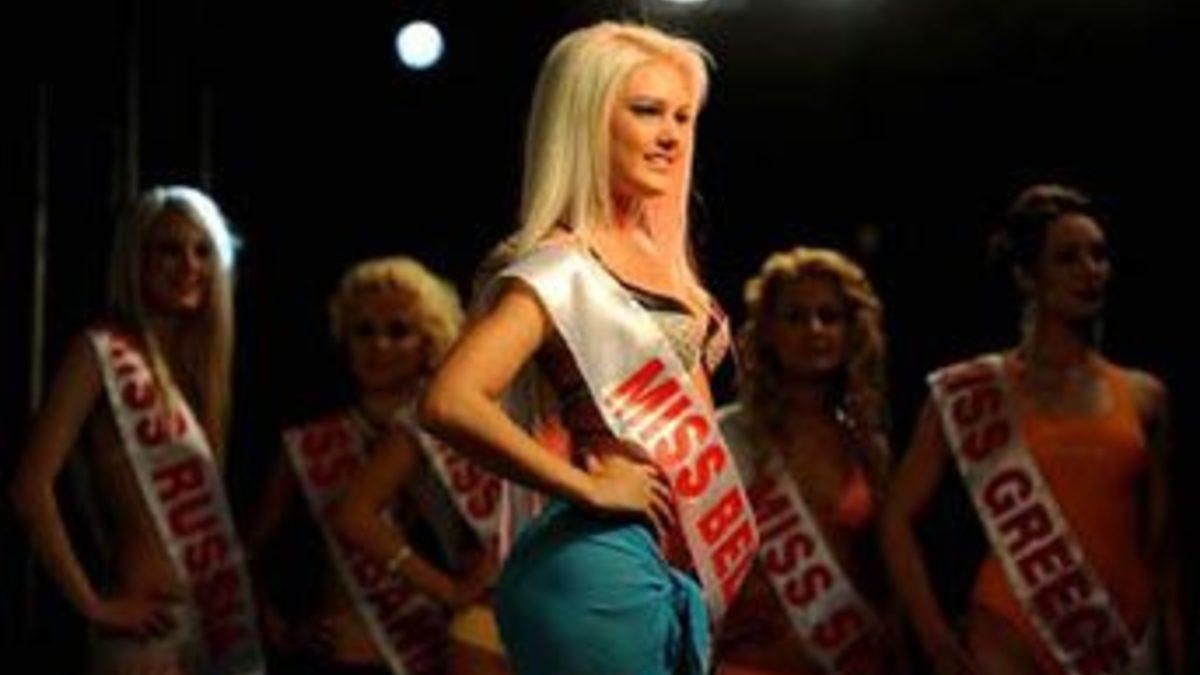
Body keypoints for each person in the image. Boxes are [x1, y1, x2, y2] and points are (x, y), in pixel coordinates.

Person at [419, 21, 759, 675]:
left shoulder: (664, 257)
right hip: (595, 563)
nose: (671, 134)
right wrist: (586, 488)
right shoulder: (561, 267)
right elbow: (449, 401)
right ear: (586, 119)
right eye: (647, 110)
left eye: (683, 116)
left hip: (659, 562)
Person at [880, 184, 1183, 674]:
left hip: (1123, 641)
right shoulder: (970, 390)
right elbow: (896, 518)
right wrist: (935, 639)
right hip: (1008, 633)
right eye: (1068, 258)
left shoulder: (1147, 395)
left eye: (1099, 255)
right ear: (1026, 275)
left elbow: (1162, 551)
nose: (1090, 270)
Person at [9, 186, 264, 675]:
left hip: (213, 626)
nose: (189, 266)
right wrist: (92, 604)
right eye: (169, 250)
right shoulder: (98, 352)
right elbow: (29, 488)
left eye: (202, 251)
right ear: (135, 260)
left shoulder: (197, 373)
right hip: (147, 633)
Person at [245, 256, 506, 675]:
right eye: (363, 331)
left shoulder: (455, 427)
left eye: (398, 331)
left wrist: (456, 595)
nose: (378, 345)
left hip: (451, 648)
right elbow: (254, 555)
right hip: (355, 654)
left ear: (431, 339)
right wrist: (286, 632)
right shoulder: (309, 444)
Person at [716, 247, 907, 674]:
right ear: (767, 331)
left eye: (829, 316)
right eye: (795, 317)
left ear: (851, 331)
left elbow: (887, 573)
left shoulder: (867, 446)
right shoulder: (729, 437)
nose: (814, 329)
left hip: (849, 661)